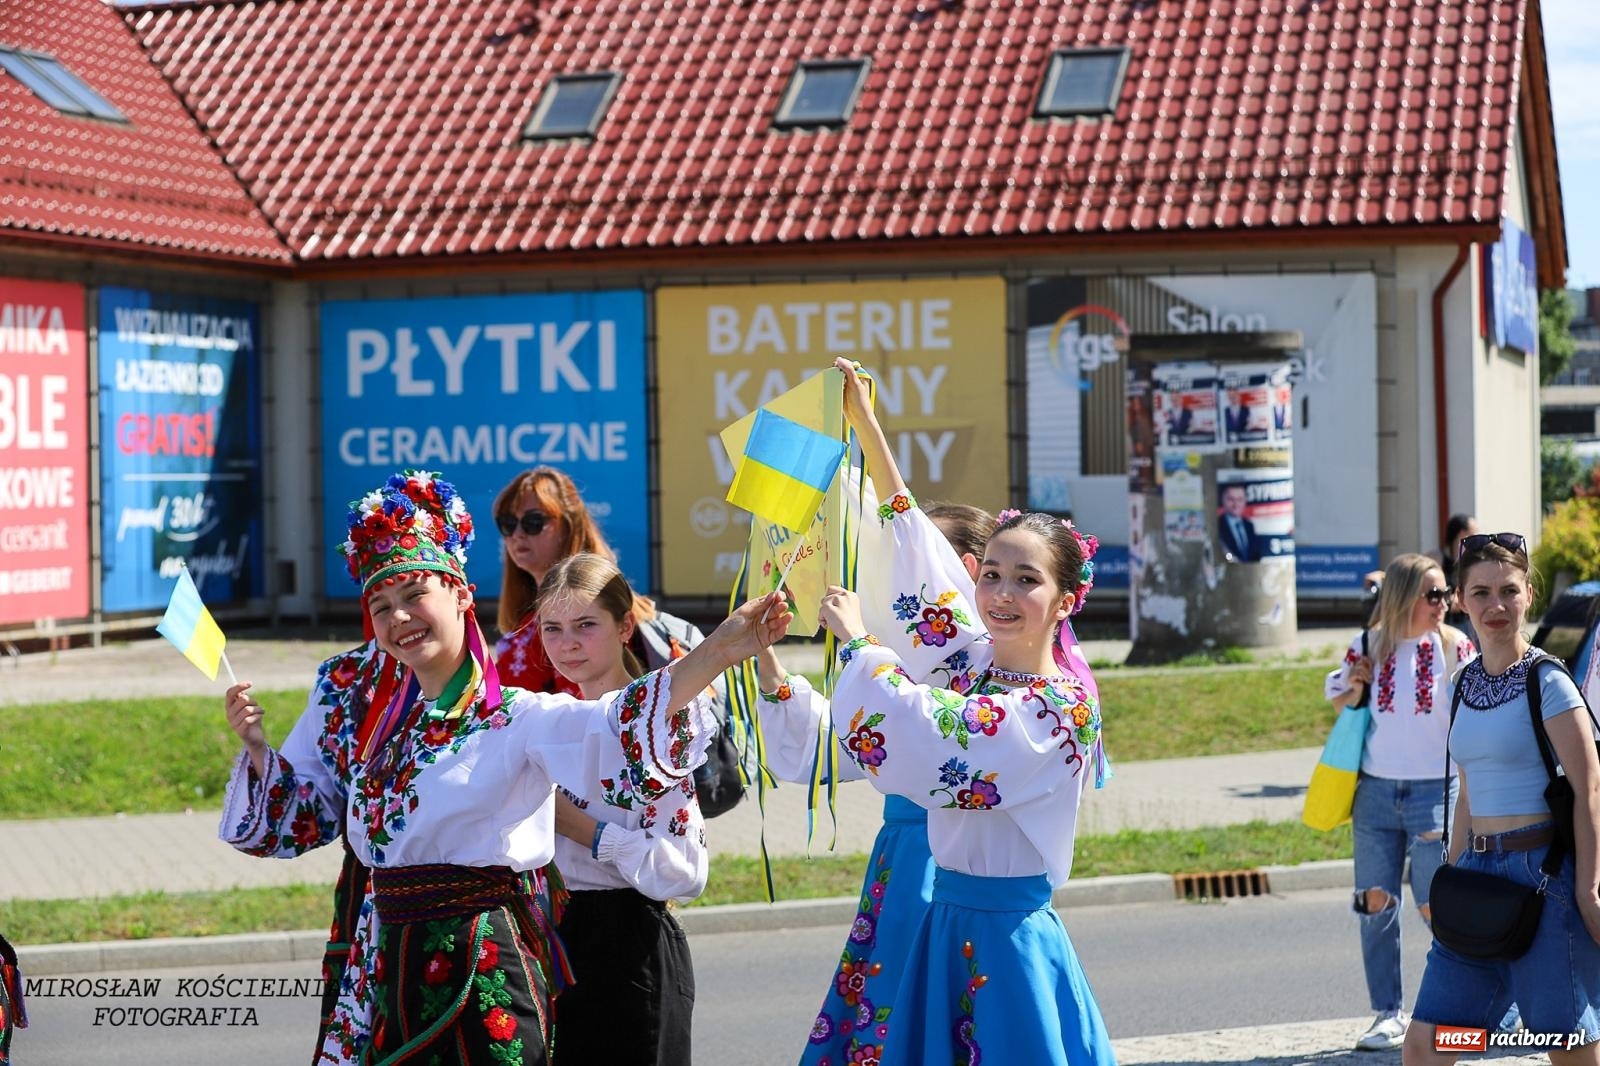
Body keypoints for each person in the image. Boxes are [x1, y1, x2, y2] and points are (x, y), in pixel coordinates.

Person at [219, 470, 790, 1065]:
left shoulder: (513, 713)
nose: (399, 618)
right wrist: (259, 748)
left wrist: (720, 650)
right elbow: (324, 815)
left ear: (462, 594)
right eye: (382, 605)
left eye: (416, 596)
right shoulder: (380, 726)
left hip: (480, 967)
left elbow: (612, 723)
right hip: (390, 969)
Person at [811, 359, 1114, 1066]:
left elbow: (946, 741)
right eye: (993, 575)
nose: (1001, 593)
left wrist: (860, 644)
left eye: (1027, 580)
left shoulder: (1060, 710)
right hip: (943, 925)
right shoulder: (976, 659)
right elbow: (919, 560)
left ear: (1066, 601)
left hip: (1008, 941)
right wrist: (865, 425)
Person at [755, 500, 997, 1065]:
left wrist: (863, 644)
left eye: (907, 563)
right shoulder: (904, 662)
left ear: (957, 571)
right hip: (904, 855)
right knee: (890, 1006)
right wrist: (764, 656)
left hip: (953, 861)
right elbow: (840, 745)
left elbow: (915, 734)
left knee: (936, 1006)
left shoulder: (986, 662)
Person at [1402, 532, 1600, 1065]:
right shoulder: (1460, 684)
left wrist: (1588, 888)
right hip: (1477, 878)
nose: (1496, 606)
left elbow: (1589, 789)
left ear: (1528, 595)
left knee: (1564, 1046)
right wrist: (1453, 870)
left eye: (1508, 591)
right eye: (1482, 592)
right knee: (1430, 1042)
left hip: (1544, 879)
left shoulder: (1549, 681)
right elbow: (1467, 787)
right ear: (1461, 600)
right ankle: (1498, 1034)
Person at [492, 466, 743, 816]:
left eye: (533, 522)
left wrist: (599, 838)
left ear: (569, 523)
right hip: (545, 813)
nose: (518, 534)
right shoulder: (518, 627)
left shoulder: (624, 613)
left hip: (619, 802)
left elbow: (646, 713)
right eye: (507, 523)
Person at [535, 553, 706, 1066]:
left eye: (586, 625)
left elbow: (684, 871)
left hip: (630, 947)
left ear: (625, 625)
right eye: (552, 628)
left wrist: (581, 827)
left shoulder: (653, 730)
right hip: (555, 937)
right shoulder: (546, 722)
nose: (568, 643)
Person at [1324, 554, 1476, 1051]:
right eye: (1434, 595)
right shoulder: (1367, 645)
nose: (1445, 603)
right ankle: (1387, 1013)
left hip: (1436, 792)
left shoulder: (1455, 646)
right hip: (1374, 792)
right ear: (1406, 596)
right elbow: (1336, 695)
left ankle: (1464, 1008)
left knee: (1441, 907)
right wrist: (1356, 684)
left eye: (1446, 593)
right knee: (1375, 903)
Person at [1217, 483, 1257, 562]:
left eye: (1240, 499)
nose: (1236, 504)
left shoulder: (1249, 526)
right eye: (1231, 499)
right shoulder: (1217, 525)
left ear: (1245, 500)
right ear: (1223, 500)